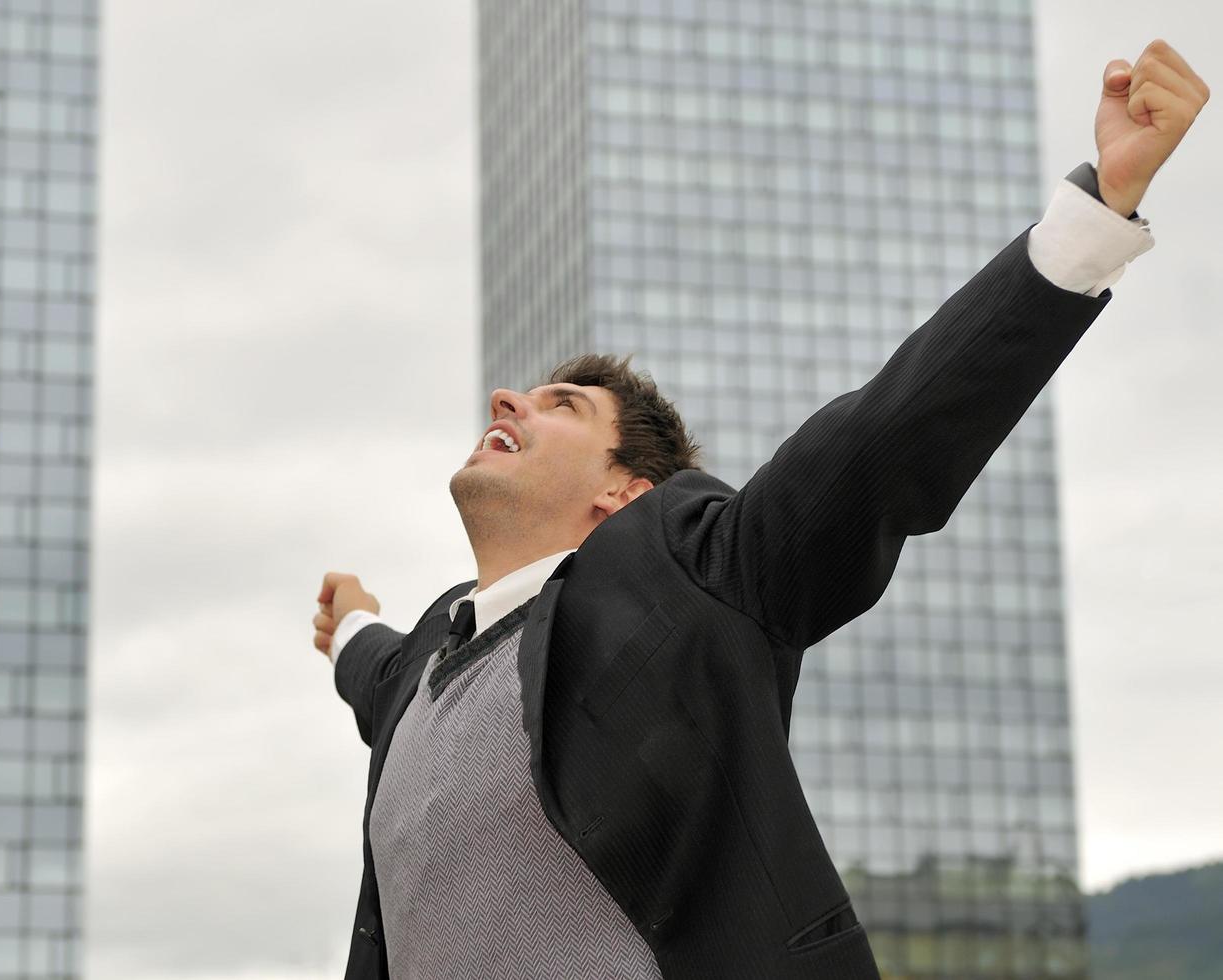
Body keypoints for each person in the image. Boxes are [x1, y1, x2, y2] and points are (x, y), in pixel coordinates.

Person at [310, 41, 1208, 980]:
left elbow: (884, 443)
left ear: (626, 494)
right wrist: (351, 626)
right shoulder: (420, 662)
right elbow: (372, 670)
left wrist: (1096, 211)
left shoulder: (685, 583)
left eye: (560, 404)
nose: (508, 400)